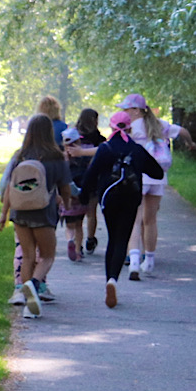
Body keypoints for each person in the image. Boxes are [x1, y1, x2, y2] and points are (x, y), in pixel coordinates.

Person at [79, 111, 164, 308]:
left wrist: (83, 197)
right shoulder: (137, 149)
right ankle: (113, 280)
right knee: (122, 239)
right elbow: (157, 173)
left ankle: (109, 280)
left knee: (112, 238)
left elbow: (90, 176)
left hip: (109, 199)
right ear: (130, 128)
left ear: (111, 127)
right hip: (131, 199)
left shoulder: (105, 148)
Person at [0, 114, 73, 318]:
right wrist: (67, 203)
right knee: (47, 256)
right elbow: (65, 187)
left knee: (28, 256)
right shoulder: (56, 157)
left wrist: (4, 214)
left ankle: (28, 303)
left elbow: (9, 187)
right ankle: (34, 284)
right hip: (43, 212)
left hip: (20, 211)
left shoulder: (20, 155)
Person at [118, 94, 192, 278]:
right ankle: (149, 261)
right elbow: (182, 131)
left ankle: (134, 262)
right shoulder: (159, 124)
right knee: (150, 220)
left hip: (137, 177)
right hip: (158, 177)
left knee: (134, 220)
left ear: (136, 110)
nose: (124, 113)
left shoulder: (130, 128)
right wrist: (190, 143)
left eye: (126, 109)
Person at [70, 109, 107, 254]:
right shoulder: (99, 139)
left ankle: (77, 243)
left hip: (75, 178)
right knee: (91, 212)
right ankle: (90, 239)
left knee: (77, 214)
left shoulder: (73, 136)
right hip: (93, 179)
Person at [59, 127, 91, 262]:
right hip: (81, 195)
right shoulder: (83, 157)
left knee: (69, 225)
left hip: (67, 196)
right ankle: (78, 251)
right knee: (79, 225)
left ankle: (70, 240)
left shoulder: (62, 158)